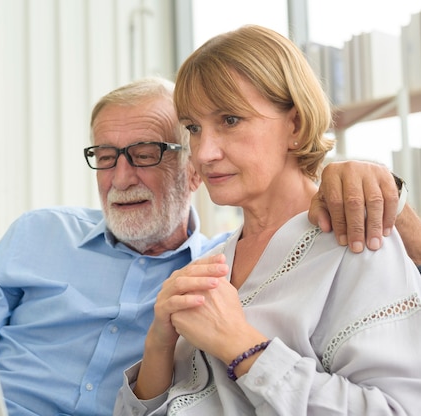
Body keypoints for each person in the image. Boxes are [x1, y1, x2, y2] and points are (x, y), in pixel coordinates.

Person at [0, 77, 420, 415]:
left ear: (194, 172)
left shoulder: (222, 280)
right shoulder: (38, 234)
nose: (121, 177)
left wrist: (389, 198)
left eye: (145, 153)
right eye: (105, 157)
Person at [114, 25, 421, 415]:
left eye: (230, 120)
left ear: (294, 125)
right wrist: (159, 342)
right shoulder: (215, 261)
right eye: (194, 128)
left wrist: (241, 346)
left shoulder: (357, 244)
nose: (204, 152)